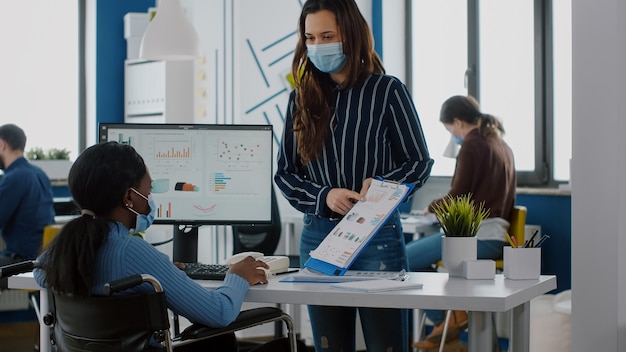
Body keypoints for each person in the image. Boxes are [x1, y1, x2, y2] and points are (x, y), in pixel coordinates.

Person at [274, 0, 433, 350]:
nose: (318, 46)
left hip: (377, 236)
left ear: (350, 35)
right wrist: (325, 196)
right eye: (311, 38)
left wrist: (382, 187)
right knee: (330, 345)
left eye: (327, 36)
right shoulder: (299, 99)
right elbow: (285, 174)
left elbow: (418, 162)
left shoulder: (387, 91)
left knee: (387, 344)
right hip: (319, 237)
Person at [32, 141, 294, 351]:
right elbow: (219, 313)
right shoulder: (131, 251)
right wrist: (236, 276)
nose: (151, 198)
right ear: (129, 197)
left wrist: (164, 272)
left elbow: (40, 274)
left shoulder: (60, 250)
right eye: (149, 188)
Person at [406, 95, 516, 350]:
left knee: (405, 259)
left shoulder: (471, 145)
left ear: (457, 123)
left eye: (449, 130)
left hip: (478, 238)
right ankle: (450, 331)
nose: (451, 136)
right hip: (498, 236)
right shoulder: (502, 144)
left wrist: (431, 207)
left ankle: (447, 318)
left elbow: (458, 195)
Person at [0, 123, 55, 289]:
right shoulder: (39, 173)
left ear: (2, 144)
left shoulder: (14, 178)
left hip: (23, 262)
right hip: (44, 258)